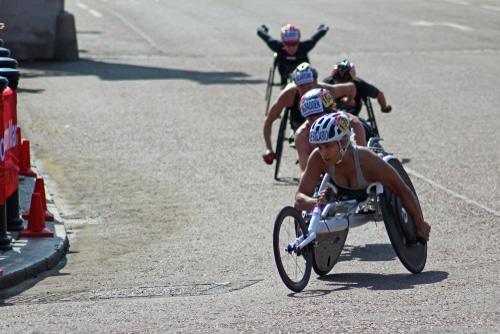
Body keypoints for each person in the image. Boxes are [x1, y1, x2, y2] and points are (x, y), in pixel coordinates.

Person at [295, 113, 431, 242]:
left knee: (383, 160)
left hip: (369, 180)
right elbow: (299, 198)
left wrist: (420, 224)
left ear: (343, 142)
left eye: (328, 146)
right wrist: (314, 202)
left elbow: (403, 191)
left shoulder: (368, 160)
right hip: (341, 190)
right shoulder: (317, 158)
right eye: (319, 147)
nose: (323, 153)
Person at [262, 62, 366, 165]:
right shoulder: (287, 95)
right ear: (296, 86)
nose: (306, 91)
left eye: (309, 87)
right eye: (302, 87)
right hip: (299, 124)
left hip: (331, 124)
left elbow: (351, 87)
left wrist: (349, 101)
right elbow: (269, 120)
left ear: (316, 83)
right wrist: (269, 148)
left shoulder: (327, 91)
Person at [294, 87, 371, 172]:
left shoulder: (353, 124)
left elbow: (363, 161)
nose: (317, 122)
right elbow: (306, 171)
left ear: (332, 111)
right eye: (311, 119)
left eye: (320, 117)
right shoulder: (301, 136)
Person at [257, 23, 329, 87]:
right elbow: (263, 35)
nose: (291, 48)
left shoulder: (304, 46)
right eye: (288, 45)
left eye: (294, 44)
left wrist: (323, 28)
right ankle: (283, 81)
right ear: (283, 43)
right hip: (283, 67)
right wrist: (262, 29)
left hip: (301, 66)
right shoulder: (277, 46)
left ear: (298, 42)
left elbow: (316, 37)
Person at [323, 59, 392, 116]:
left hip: (353, 113)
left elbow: (379, 94)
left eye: (345, 84)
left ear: (352, 80)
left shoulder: (360, 85)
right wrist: (384, 108)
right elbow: (379, 95)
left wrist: (384, 107)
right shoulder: (326, 84)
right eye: (338, 83)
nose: (342, 87)